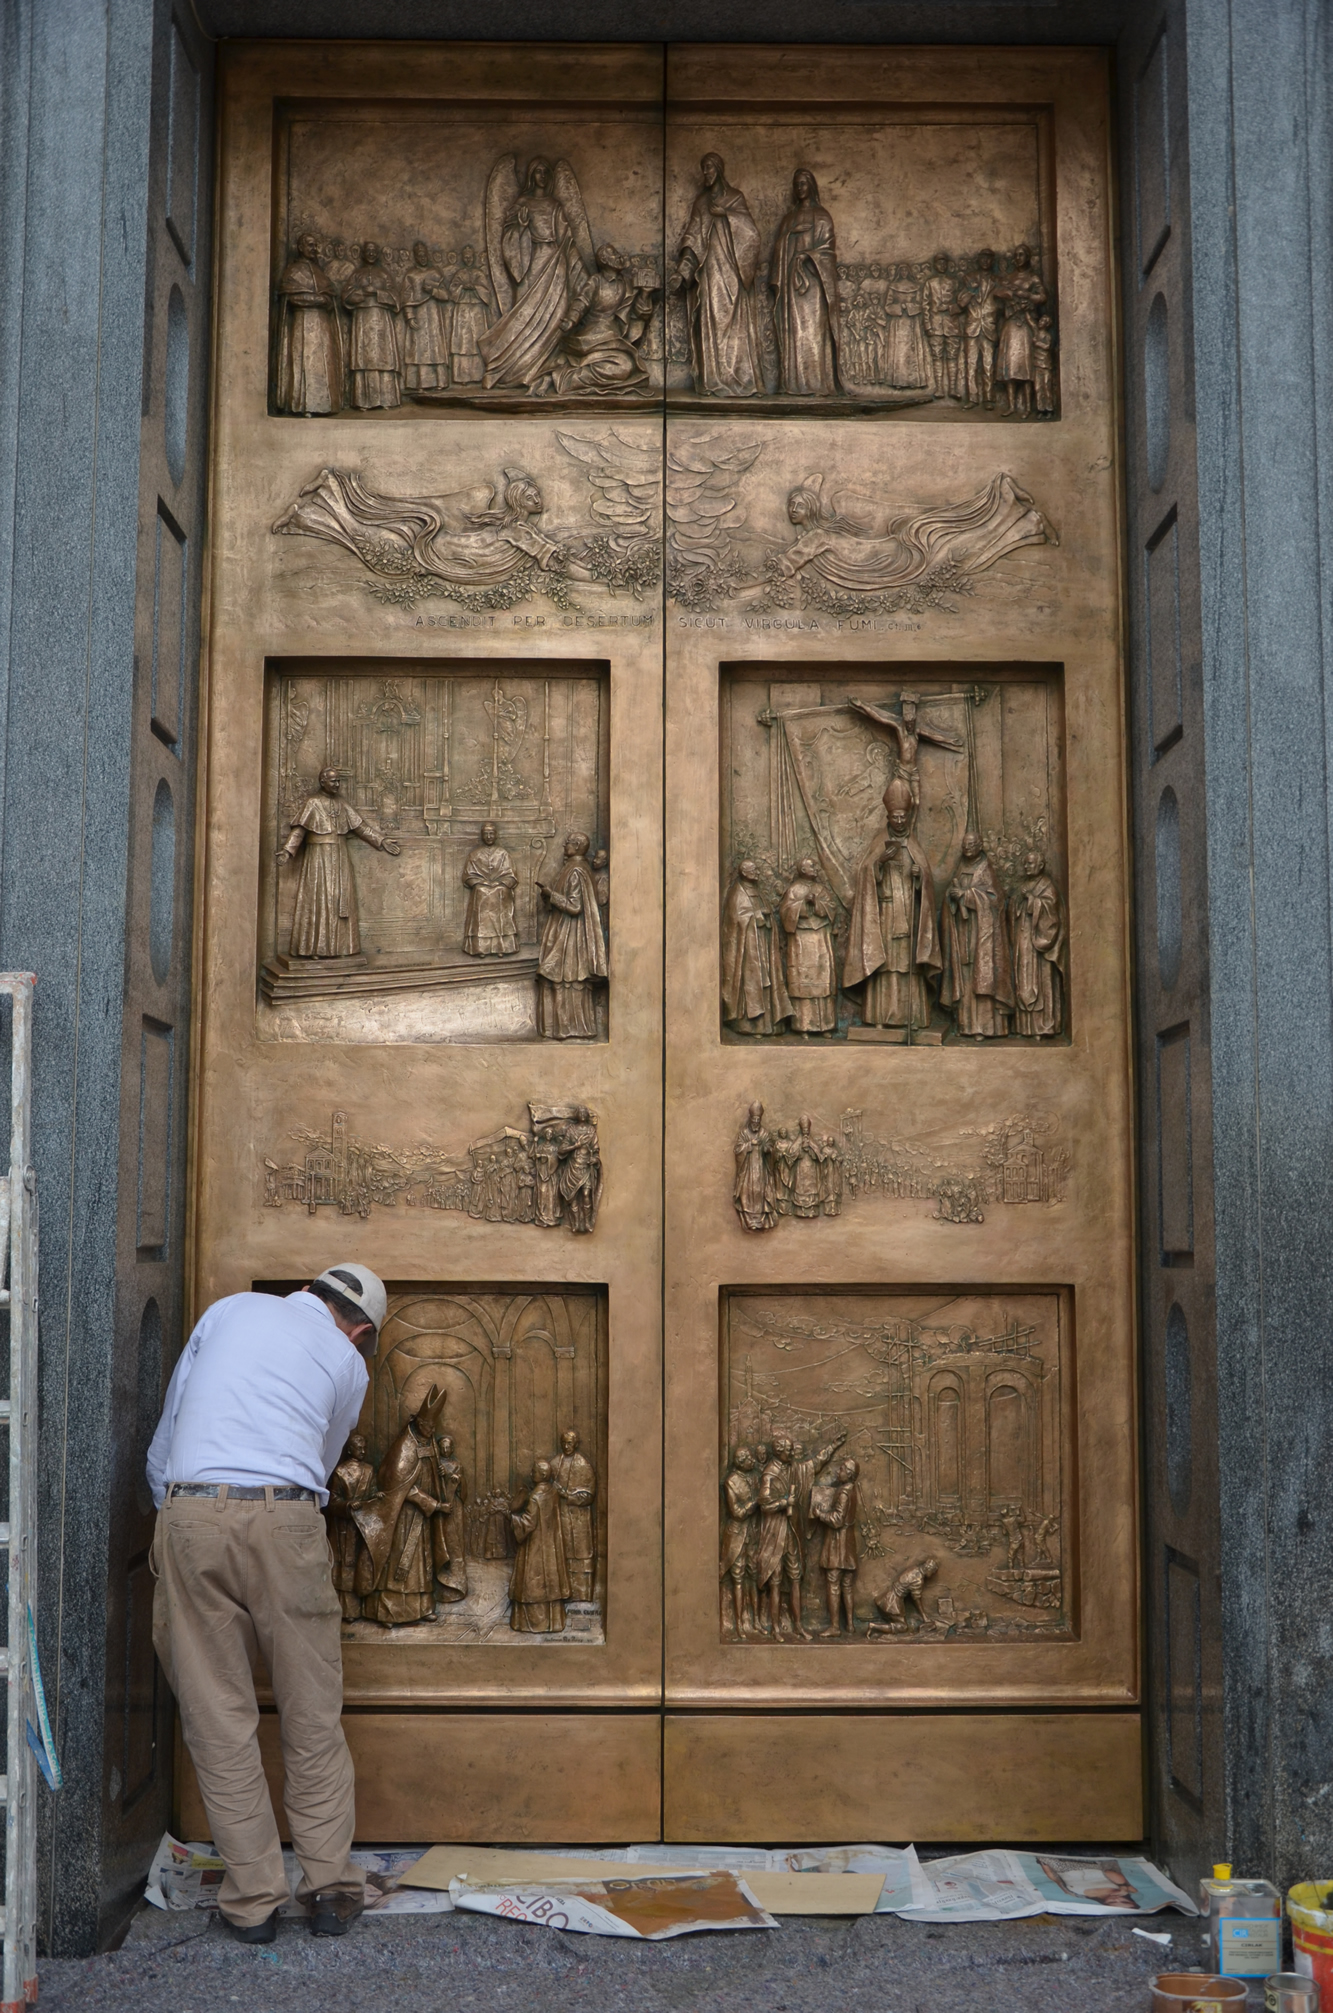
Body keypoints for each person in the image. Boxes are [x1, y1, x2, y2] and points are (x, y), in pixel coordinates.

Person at [147, 1263, 388, 1943]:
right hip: (287, 1516)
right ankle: (331, 1890)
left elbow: (168, 1432)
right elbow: (322, 1458)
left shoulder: (228, 1310)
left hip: (192, 1508)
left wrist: (176, 1517)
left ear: (308, 1291)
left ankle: (253, 1900)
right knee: (311, 1709)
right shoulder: (348, 1361)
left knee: (217, 1716)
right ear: (360, 1331)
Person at [277, 766, 401, 961]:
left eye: (338, 781)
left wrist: (381, 840)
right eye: (333, 781)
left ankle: (342, 947)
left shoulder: (342, 803)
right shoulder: (313, 803)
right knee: (318, 901)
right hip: (318, 857)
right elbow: (299, 831)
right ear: (322, 782)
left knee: (340, 902)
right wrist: (287, 851)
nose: (337, 784)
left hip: (340, 856)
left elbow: (361, 827)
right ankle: (314, 948)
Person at [671, 153, 763, 397]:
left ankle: (740, 379)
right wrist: (682, 272)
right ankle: (713, 380)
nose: (706, 173)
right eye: (704, 168)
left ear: (719, 170)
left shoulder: (735, 198)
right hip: (710, 271)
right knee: (710, 320)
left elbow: (752, 235)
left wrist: (727, 215)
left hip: (733, 270)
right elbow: (692, 237)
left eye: (710, 168)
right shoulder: (701, 203)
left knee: (735, 323)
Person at [771, 168, 841, 396]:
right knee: (794, 332)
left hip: (814, 283)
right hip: (792, 285)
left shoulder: (822, 216)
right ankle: (793, 383)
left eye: (803, 183)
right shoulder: (788, 220)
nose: (799, 188)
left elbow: (828, 251)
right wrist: (789, 235)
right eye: (796, 184)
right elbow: (777, 250)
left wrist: (808, 256)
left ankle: (818, 383)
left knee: (814, 331)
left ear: (811, 186)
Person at [535, 832, 608, 1039]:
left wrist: (552, 895)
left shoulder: (576, 870)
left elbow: (575, 907)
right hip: (563, 928)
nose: (563, 846)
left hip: (571, 933)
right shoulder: (573, 867)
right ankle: (562, 1028)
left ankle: (570, 1028)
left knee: (565, 975)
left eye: (567, 843)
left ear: (576, 846)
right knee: (560, 976)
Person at [275, 233, 343, 415]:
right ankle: (303, 406)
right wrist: (316, 299)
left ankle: (327, 405)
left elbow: (330, 297)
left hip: (323, 323)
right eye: (310, 245)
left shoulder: (320, 272)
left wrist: (326, 301)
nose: (314, 249)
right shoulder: (293, 271)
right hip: (302, 320)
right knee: (303, 361)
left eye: (315, 245)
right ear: (301, 247)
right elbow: (291, 299)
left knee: (325, 362)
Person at [461, 821, 519, 956]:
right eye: (486, 834)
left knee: (501, 891)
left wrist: (500, 883)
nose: (489, 837)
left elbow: (511, 875)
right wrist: (481, 882)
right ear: (482, 835)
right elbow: (468, 875)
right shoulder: (474, 854)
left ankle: (502, 947)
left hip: (500, 888)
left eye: (491, 833)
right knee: (480, 891)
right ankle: (480, 947)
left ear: (496, 835)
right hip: (481, 887)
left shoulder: (503, 854)